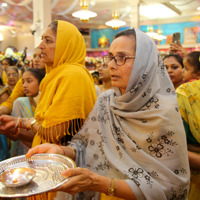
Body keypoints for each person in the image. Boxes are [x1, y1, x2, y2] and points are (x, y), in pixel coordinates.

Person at [26, 28, 190, 200]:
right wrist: (61, 150)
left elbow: (171, 188)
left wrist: (100, 183)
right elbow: (85, 147)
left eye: (121, 58)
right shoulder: (107, 101)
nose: (111, 64)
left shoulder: (163, 112)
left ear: (144, 63)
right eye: (110, 57)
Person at [0, 20, 97, 200]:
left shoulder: (72, 75)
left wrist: (26, 123)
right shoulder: (56, 75)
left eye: (48, 40)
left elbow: (54, 131)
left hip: (61, 169)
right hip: (50, 162)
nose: (41, 46)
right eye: (42, 40)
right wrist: (19, 123)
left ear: (65, 45)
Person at [176, 51, 200, 200]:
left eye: (185, 68)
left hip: (194, 174)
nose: (182, 72)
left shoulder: (184, 92)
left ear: (197, 73)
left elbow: (178, 139)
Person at [9, 68, 45, 157]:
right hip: (24, 152)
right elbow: (15, 136)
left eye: (29, 81)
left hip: (44, 151)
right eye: (23, 82)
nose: (24, 85)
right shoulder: (20, 103)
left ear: (41, 83)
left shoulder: (46, 103)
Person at [0, 48, 45, 115]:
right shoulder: (24, 79)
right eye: (35, 56)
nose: (36, 60)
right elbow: (11, 102)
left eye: (41, 56)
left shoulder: (54, 78)